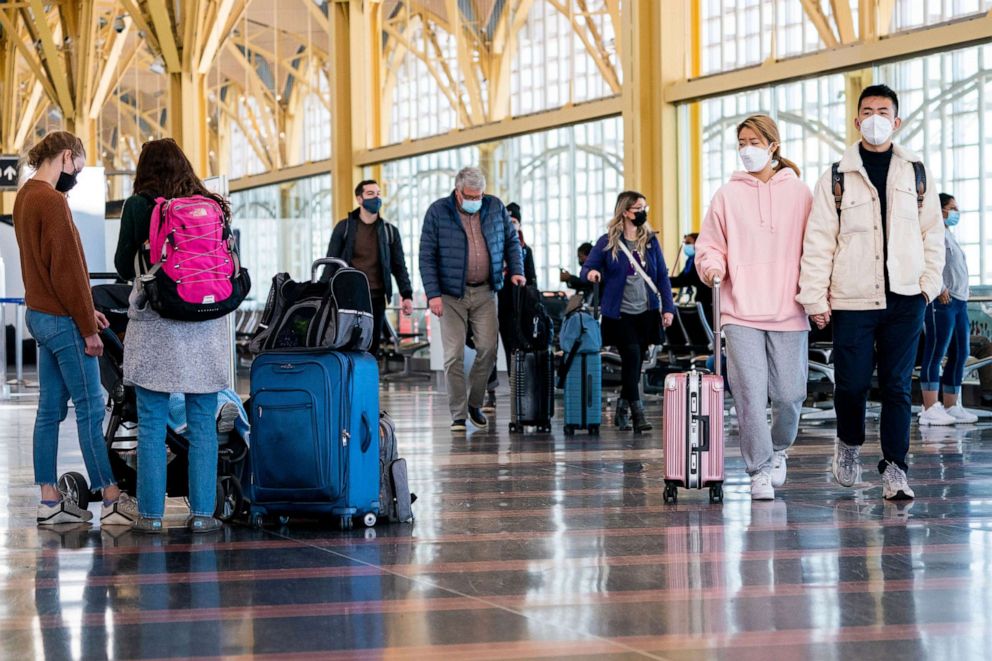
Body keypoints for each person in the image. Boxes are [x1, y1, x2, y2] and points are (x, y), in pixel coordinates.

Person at [798, 84, 945, 501]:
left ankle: (895, 467)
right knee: (852, 384)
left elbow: (931, 231)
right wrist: (815, 296)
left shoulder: (916, 171)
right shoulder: (836, 176)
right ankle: (848, 445)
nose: (875, 118)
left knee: (899, 386)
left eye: (884, 111)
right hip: (852, 298)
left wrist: (927, 285)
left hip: (905, 297)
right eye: (868, 111)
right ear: (856, 119)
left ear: (896, 121)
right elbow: (820, 239)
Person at [13, 131, 139, 527]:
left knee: (49, 411)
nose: (76, 178)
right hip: (64, 321)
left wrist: (89, 312)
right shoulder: (52, 201)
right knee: (89, 408)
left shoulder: (24, 197)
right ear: (66, 156)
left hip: (39, 314)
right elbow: (67, 272)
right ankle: (111, 496)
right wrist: (88, 326)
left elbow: (50, 272)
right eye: (77, 169)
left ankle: (49, 499)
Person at [114, 138, 233, 533]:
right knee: (202, 423)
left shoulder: (140, 204)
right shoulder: (211, 204)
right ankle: (202, 514)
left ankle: (150, 516)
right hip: (206, 323)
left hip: (158, 322)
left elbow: (121, 264)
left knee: (150, 423)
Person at [695, 114, 813, 501]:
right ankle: (758, 469)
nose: (746, 149)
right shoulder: (726, 196)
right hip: (740, 310)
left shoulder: (799, 193)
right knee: (749, 393)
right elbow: (709, 244)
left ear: (773, 146)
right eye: (741, 141)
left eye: (753, 141)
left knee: (789, 394)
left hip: (789, 308)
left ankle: (779, 448)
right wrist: (712, 266)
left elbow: (815, 247)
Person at [419, 167, 525, 432]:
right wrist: (433, 295)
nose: (475, 200)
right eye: (470, 196)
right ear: (458, 192)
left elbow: (511, 241)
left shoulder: (495, 207)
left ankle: (475, 402)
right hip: (450, 294)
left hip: (486, 292)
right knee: (453, 355)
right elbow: (426, 255)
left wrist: (517, 271)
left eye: (479, 195)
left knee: (489, 349)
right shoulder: (438, 212)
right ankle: (458, 415)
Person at [582, 191, 675, 433]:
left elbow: (662, 277)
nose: (643, 213)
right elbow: (587, 268)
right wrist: (592, 274)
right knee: (632, 357)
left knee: (635, 363)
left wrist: (668, 308)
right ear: (625, 212)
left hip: (646, 312)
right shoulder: (607, 241)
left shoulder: (651, 241)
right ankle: (638, 413)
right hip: (620, 314)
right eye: (638, 209)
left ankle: (622, 408)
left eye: (645, 207)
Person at [325, 180, 413, 356]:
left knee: (371, 345)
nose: (376, 198)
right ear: (359, 199)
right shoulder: (345, 228)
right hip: (348, 297)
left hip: (376, 297)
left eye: (378, 193)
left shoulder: (390, 231)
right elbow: (331, 263)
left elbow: (399, 266)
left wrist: (407, 295)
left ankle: (368, 381)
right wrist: (322, 291)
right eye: (371, 194)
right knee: (345, 342)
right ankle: (347, 381)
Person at [918, 193, 978, 425]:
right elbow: (926, 262)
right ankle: (929, 408)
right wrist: (940, 287)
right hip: (941, 300)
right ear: (940, 210)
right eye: (951, 208)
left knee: (960, 353)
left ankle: (952, 406)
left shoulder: (949, 235)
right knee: (935, 352)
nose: (956, 213)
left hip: (960, 302)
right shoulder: (932, 234)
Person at [484, 202, 537, 409]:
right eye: (509, 222)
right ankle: (491, 392)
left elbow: (532, 281)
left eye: (515, 222)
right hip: (490, 304)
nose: (512, 226)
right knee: (488, 350)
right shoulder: (493, 248)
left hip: (514, 308)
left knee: (513, 349)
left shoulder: (525, 251)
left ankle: (518, 391)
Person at [670, 233, 713, 316]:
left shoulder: (702, 260)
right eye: (685, 243)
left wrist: (663, 281)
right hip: (700, 300)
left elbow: (687, 280)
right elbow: (682, 278)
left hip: (708, 301)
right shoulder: (690, 260)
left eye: (688, 243)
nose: (686, 246)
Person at [561, 242, 599, 306]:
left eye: (580, 256)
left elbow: (585, 283)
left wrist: (569, 277)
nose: (580, 260)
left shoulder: (595, 269)